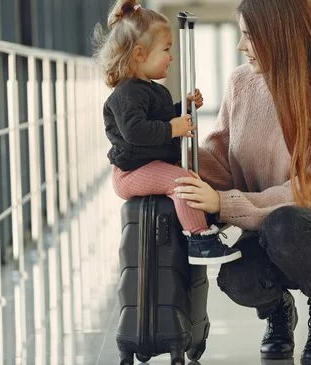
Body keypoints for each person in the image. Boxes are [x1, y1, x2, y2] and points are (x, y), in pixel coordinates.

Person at [173, 0, 311, 363]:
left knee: (287, 224)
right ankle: (279, 313)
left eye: (249, 36)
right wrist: (180, 142)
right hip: (268, 227)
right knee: (235, 278)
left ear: (279, 35)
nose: (241, 46)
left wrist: (225, 204)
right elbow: (221, 161)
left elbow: (305, 195)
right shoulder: (241, 83)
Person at [94, 0, 241, 265]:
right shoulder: (126, 94)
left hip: (150, 164)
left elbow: (158, 118)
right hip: (131, 173)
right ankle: (200, 241)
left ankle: (205, 216)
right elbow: (136, 132)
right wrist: (174, 127)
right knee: (181, 182)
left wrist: (182, 107)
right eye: (166, 49)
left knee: (192, 175)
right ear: (140, 54)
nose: (171, 56)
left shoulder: (151, 89)